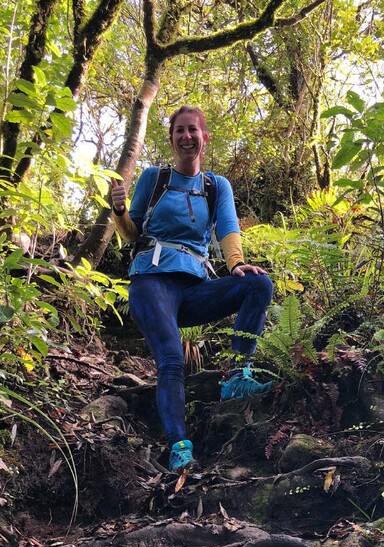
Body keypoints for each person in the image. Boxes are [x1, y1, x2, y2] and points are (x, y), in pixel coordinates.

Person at [111, 106, 274, 472]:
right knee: (171, 359)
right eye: (179, 131)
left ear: (204, 138)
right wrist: (119, 212)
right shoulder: (154, 179)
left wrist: (235, 265)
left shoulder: (217, 186)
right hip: (152, 283)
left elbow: (228, 229)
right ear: (171, 139)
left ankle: (236, 377)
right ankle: (179, 447)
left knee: (258, 284)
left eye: (193, 131)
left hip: (196, 288)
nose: (186, 137)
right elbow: (131, 234)